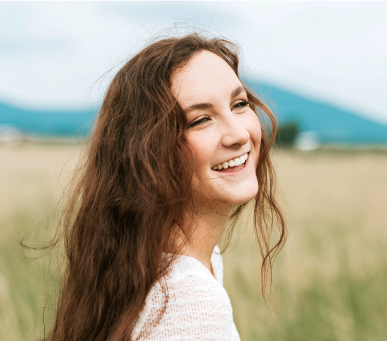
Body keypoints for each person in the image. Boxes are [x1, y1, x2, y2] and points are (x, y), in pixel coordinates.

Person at [49, 32, 286, 341]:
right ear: (149, 152)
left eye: (239, 104)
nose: (238, 134)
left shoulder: (151, 261)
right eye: (201, 119)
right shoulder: (190, 300)